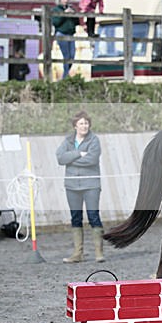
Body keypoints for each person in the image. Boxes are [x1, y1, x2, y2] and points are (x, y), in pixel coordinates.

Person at [56, 111, 104, 263]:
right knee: (75, 218)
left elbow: (92, 159)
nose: (84, 126)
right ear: (75, 126)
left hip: (91, 185)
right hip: (72, 186)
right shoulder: (68, 140)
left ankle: (98, 253)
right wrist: (78, 153)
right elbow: (60, 158)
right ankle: (78, 253)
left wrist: (71, 159)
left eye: (86, 123)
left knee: (93, 216)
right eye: (81, 123)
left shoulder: (94, 140)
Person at [51, 0, 77, 79]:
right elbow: (56, 22)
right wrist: (64, 14)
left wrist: (74, 14)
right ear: (60, 0)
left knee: (72, 56)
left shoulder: (71, 8)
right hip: (62, 34)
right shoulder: (56, 10)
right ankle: (65, 77)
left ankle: (65, 75)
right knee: (66, 56)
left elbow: (77, 22)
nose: (66, 1)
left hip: (71, 34)